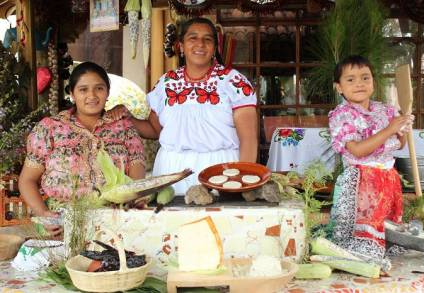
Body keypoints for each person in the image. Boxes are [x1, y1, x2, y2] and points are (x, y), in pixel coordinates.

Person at [111, 17, 258, 194]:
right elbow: (156, 130)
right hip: (171, 172)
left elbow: (249, 139)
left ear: (214, 47)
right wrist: (127, 118)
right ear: (180, 46)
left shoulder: (233, 82)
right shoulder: (166, 83)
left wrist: (241, 180)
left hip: (221, 171)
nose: (200, 44)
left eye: (207, 39)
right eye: (192, 38)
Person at [19, 61, 146, 238]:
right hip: (61, 227)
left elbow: (136, 181)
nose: (92, 95)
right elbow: (27, 180)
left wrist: (128, 211)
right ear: (72, 93)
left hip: (113, 225)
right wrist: (43, 214)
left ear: (108, 92)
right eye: (83, 89)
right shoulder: (50, 128)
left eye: (99, 88)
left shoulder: (124, 128)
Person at [327, 55, 414, 270]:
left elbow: (400, 144)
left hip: (388, 181)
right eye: (351, 79)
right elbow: (357, 150)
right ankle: (358, 267)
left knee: (387, 237)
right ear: (338, 87)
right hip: (361, 184)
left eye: (365, 78)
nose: (359, 83)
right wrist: (391, 128)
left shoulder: (386, 111)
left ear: (373, 82)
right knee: (360, 242)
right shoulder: (341, 115)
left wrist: (403, 127)